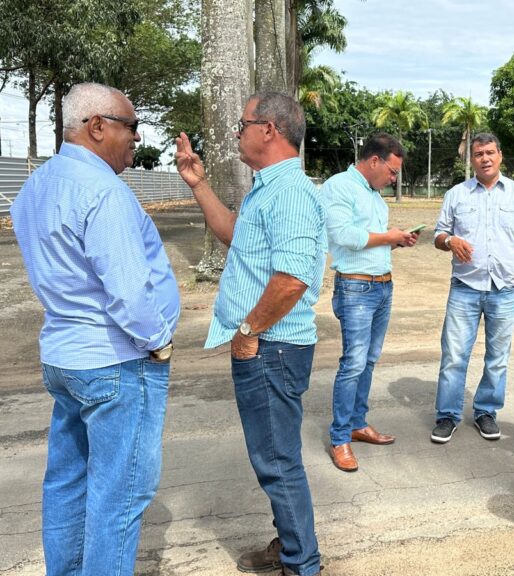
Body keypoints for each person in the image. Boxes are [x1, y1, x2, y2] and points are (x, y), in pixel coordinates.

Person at [11, 82, 180, 575]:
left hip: (65, 356)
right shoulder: (104, 192)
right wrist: (159, 342)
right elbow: (128, 292)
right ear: (98, 126)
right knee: (120, 495)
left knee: (69, 481)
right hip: (115, 360)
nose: (137, 138)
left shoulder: (37, 185)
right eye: (131, 126)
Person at [174, 92, 325, 576]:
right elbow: (233, 234)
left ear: (269, 130)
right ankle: (293, 545)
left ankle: (301, 564)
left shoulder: (290, 193)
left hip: (270, 347)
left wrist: (247, 330)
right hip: (267, 346)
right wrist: (198, 184)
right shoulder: (268, 188)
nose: (236, 133)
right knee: (276, 458)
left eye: (242, 124)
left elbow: (292, 279)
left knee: (277, 462)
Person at [430, 133, 514, 443]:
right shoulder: (456, 195)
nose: (485, 158)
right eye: (479, 154)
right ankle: (447, 415)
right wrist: (450, 241)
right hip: (464, 287)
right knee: (454, 355)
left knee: (498, 357)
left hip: (504, 289)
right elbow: (438, 235)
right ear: (472, 159)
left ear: (500, 155)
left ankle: (486, 412)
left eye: (490, 152)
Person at [322, 133, 419, 472]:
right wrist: (389, 236)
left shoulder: (375, 197)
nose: (393, 179)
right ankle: (339, 438)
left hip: (382, 286)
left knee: (369, 361)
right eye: (392, 172)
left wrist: (396, 241)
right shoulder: (339, 187)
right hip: (356, 288)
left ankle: (357, 423)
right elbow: (344, 236)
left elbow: (369, 242)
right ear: (374, 160)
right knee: (353, 363)